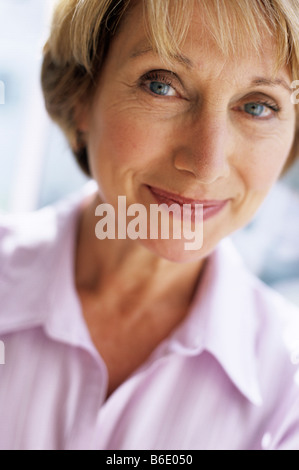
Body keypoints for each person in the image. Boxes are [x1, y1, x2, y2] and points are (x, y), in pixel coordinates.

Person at [0, 0, 299, 451]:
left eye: (258, 107)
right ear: (81, 95)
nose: (206, 164)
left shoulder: (288, 393)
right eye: (162, 85)